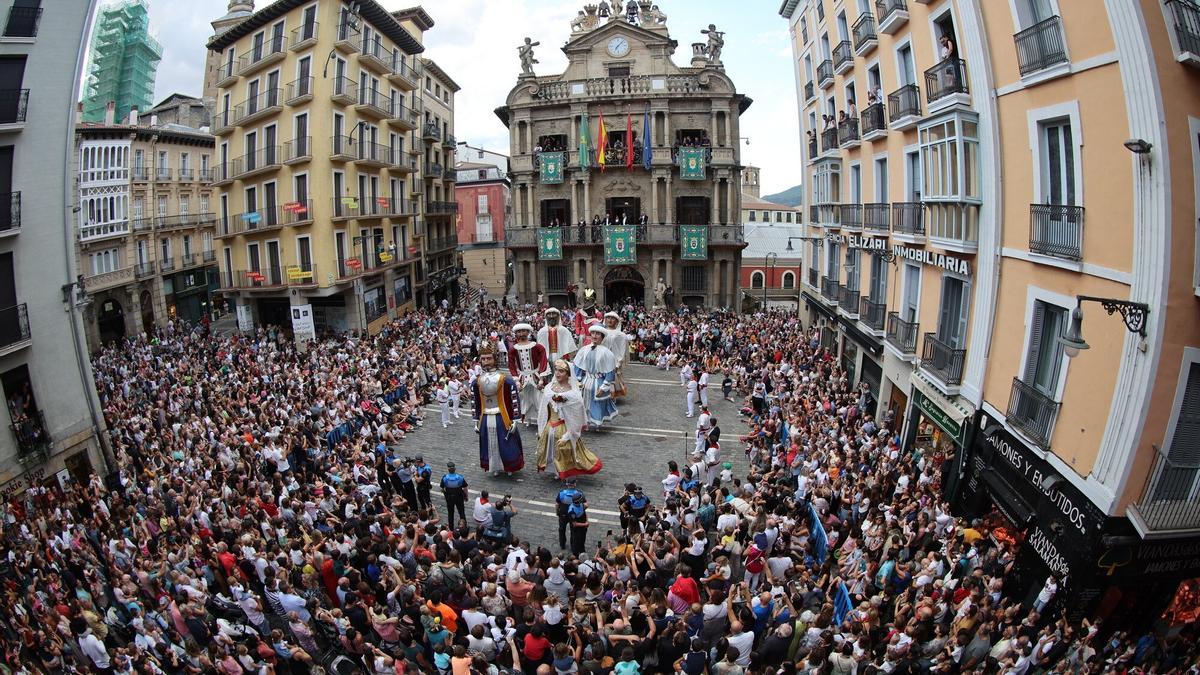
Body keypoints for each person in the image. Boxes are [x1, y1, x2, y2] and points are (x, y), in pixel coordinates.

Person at [536, 359, 603, 478]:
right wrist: (542, 428)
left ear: (568, 374)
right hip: (550, 426)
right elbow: (543, 411)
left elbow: (576, 417)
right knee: (550, 449)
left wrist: (569, 434)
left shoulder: (574, 394)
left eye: (561, 371)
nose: (557, 373)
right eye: (556, 370)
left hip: (565, 428)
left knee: (565, 449)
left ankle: (565, 470)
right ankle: (553, 468)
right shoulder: (549, 388)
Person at [473, 342, 525, 475]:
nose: (486, 361)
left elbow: (514, 399)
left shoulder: (505, 379)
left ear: (495, 359)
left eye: (489, 358)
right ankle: (494, 466)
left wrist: (515, 419)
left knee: (505, 443)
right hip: (485, 416)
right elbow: (476, 402)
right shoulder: (477, 381)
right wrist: (475, 420)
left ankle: (509, 466)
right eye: (483, 359)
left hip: (502, 416)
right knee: (490, 444)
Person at [571, 325, 619, 428]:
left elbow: (610, 372)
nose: (595, 336)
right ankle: (584, 422)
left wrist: (604, 387)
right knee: (583, 402)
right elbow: (578, 367)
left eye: (597, 334)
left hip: (598, 382)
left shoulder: (607, 353)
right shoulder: (584, 350)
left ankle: (597, 422)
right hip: (586, 381)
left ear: (602, 336)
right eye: (593, 333)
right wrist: (577, 381)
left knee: (597, 403)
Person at [507, 323, 549, 427]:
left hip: (535, 376)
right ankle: (528, 419)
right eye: (519, 332)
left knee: (539, 397)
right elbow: (511, 365)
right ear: (516, 333)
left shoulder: (536, 346)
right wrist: (516, 380)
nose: (521, 334)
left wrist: (541, 378)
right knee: (524, 398)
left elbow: (543, 360)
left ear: (528, 332)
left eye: (524, 331)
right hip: (522, 377)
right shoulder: (513, 349)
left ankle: (542, 419)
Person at [601, 312, 630, 399]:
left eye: (612, 318)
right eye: (608, 318)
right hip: (602, 359)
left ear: (617, 321)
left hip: (613, 360)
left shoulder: (621, 335)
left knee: (612, 379)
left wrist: (618, 363)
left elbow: (622, 350)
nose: (610, 320)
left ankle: (611, 397)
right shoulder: (601, 332)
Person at [556, 478, 585, 550]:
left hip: (563, 514)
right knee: (573, 531)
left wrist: (557, 512)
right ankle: (573, 546)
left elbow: (557, 504)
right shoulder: (579, 494)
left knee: (562, 529)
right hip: (574, 515)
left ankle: (562, 544)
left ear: (567, 484)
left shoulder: (562, 493)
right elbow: (585, 504)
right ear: (575, 484)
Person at [441, 461, 468, 526]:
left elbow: (442, 488)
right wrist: (466, 496)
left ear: (448, 469)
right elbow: (465, 488)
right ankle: (464, 525)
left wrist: (445, 494)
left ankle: (451, 528)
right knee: (461, 512)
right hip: (459, 497)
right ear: (454, 469)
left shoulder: (444, 478)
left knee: (450, 513)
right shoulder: (460, 478)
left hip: (449, 498)